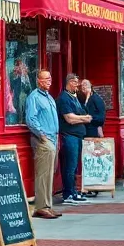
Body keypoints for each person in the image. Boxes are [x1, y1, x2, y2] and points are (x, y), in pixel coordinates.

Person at [24, 69, 61, 219]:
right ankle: (41, 207)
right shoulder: (34, 97)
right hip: (43, 140)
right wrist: (42, 136)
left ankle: (48, 205)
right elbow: (31, 119)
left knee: (49, 174)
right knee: (43, 174)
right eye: (45, 79)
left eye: (50, 78)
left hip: (53, 138)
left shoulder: (50, 98)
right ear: (38, 80)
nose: (49, 81)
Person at [57, 73, 92, 204]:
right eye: (75, 82)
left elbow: (82, 112)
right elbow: (69, 118)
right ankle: (68, 194)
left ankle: (74, 191)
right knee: (70, 166)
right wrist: (85, 119)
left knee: (75, 166)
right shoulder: (64, 98)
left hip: (78, 136)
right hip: (69, 136)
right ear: (69, 82)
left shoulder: (75, 97)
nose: (77, 85)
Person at [8, 58, 32, 125]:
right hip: (15, 95)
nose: (19, 67)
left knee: (24, 109)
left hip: (24, 96)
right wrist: (17, 75)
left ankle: (23, 121)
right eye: (17, 65)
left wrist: (23, 76)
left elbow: (29, 88)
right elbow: (11, 86)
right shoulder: (12, 74)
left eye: (21, 65)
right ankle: (18, 121)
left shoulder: (26, 75)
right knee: (17, 109)